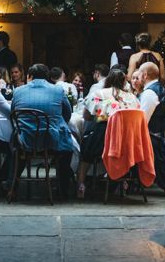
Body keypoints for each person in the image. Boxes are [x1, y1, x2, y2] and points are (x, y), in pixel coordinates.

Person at [11, 63, 75, 196]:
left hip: (26, 140)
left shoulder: (18, 91)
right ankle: (63, 189)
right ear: (48, 77)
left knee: (15, 145)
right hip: (52, 141)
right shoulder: (57, 91)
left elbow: (13, 113)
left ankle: (13, 186)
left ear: (29, 76)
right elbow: (68, 112)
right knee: (68, 149)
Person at [76, 68, 140, 198]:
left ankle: (81, 185)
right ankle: (123, 181)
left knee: (85, 154)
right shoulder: (132, 98)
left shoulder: (99, 94)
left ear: (108, 80)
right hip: (125, 143)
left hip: (102, 141)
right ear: (124, 83)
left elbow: (86, 116)